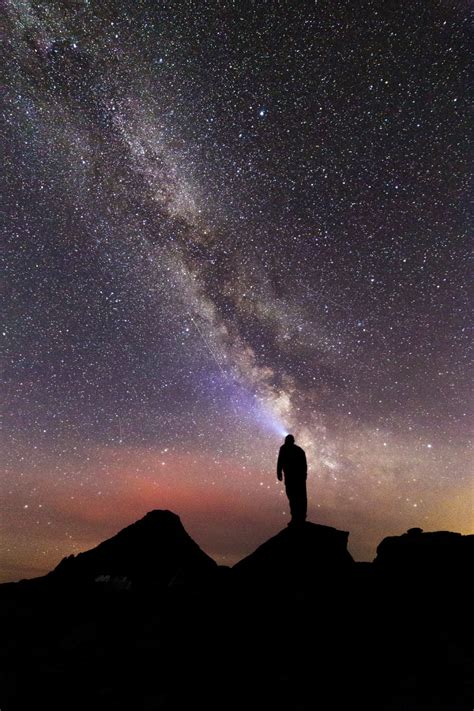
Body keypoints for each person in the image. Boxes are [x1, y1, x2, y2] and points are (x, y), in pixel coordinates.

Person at [277, 433, 308, 525]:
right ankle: (295, 516)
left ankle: (300, 517)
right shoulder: (284, 449)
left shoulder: (299, 451)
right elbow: (280, 461)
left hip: (297, 478)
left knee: (298, 497)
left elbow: (304, 465)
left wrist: (279, 472)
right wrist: (279, 472)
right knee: (292, 497)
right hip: (291, 478)